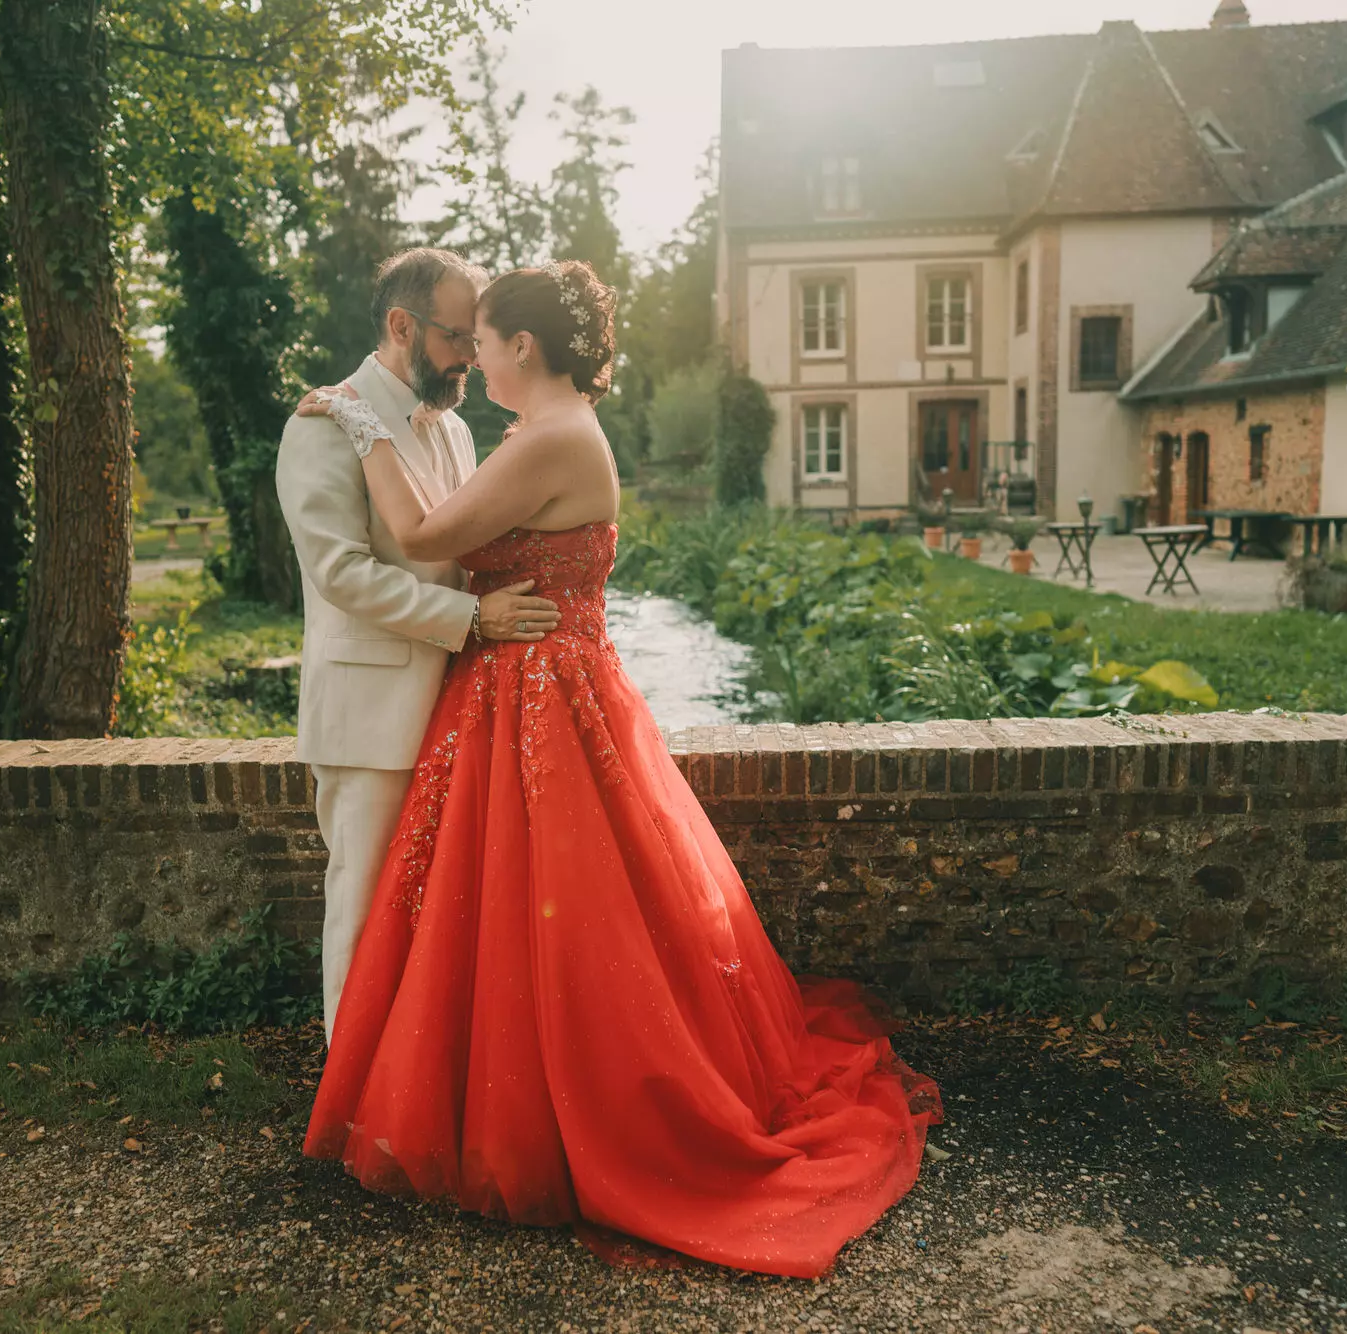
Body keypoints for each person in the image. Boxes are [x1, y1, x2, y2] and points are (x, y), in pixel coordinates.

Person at [294, 260, 938, 1279]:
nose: (471, 354)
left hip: (534, 693)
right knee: (534, 907)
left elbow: (420, 536)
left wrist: (362, 425)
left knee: (537, 908)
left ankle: (533, 1110)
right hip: (544, 680)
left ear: (523, 347)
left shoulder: (545, 439)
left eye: (484, 338)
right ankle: (490, 1089)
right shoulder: (549, 432)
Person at [274, 247, 562, 1044]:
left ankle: (417, 1083)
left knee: (438, 915)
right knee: (363, 906)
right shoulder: (324, 423)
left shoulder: (459, 431)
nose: (473, 355)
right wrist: (472, 622)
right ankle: (349, 1089)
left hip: (460, 711)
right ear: (403, 326)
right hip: (370, 713)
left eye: (477, 339)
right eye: (456, 337)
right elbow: (340, 573)